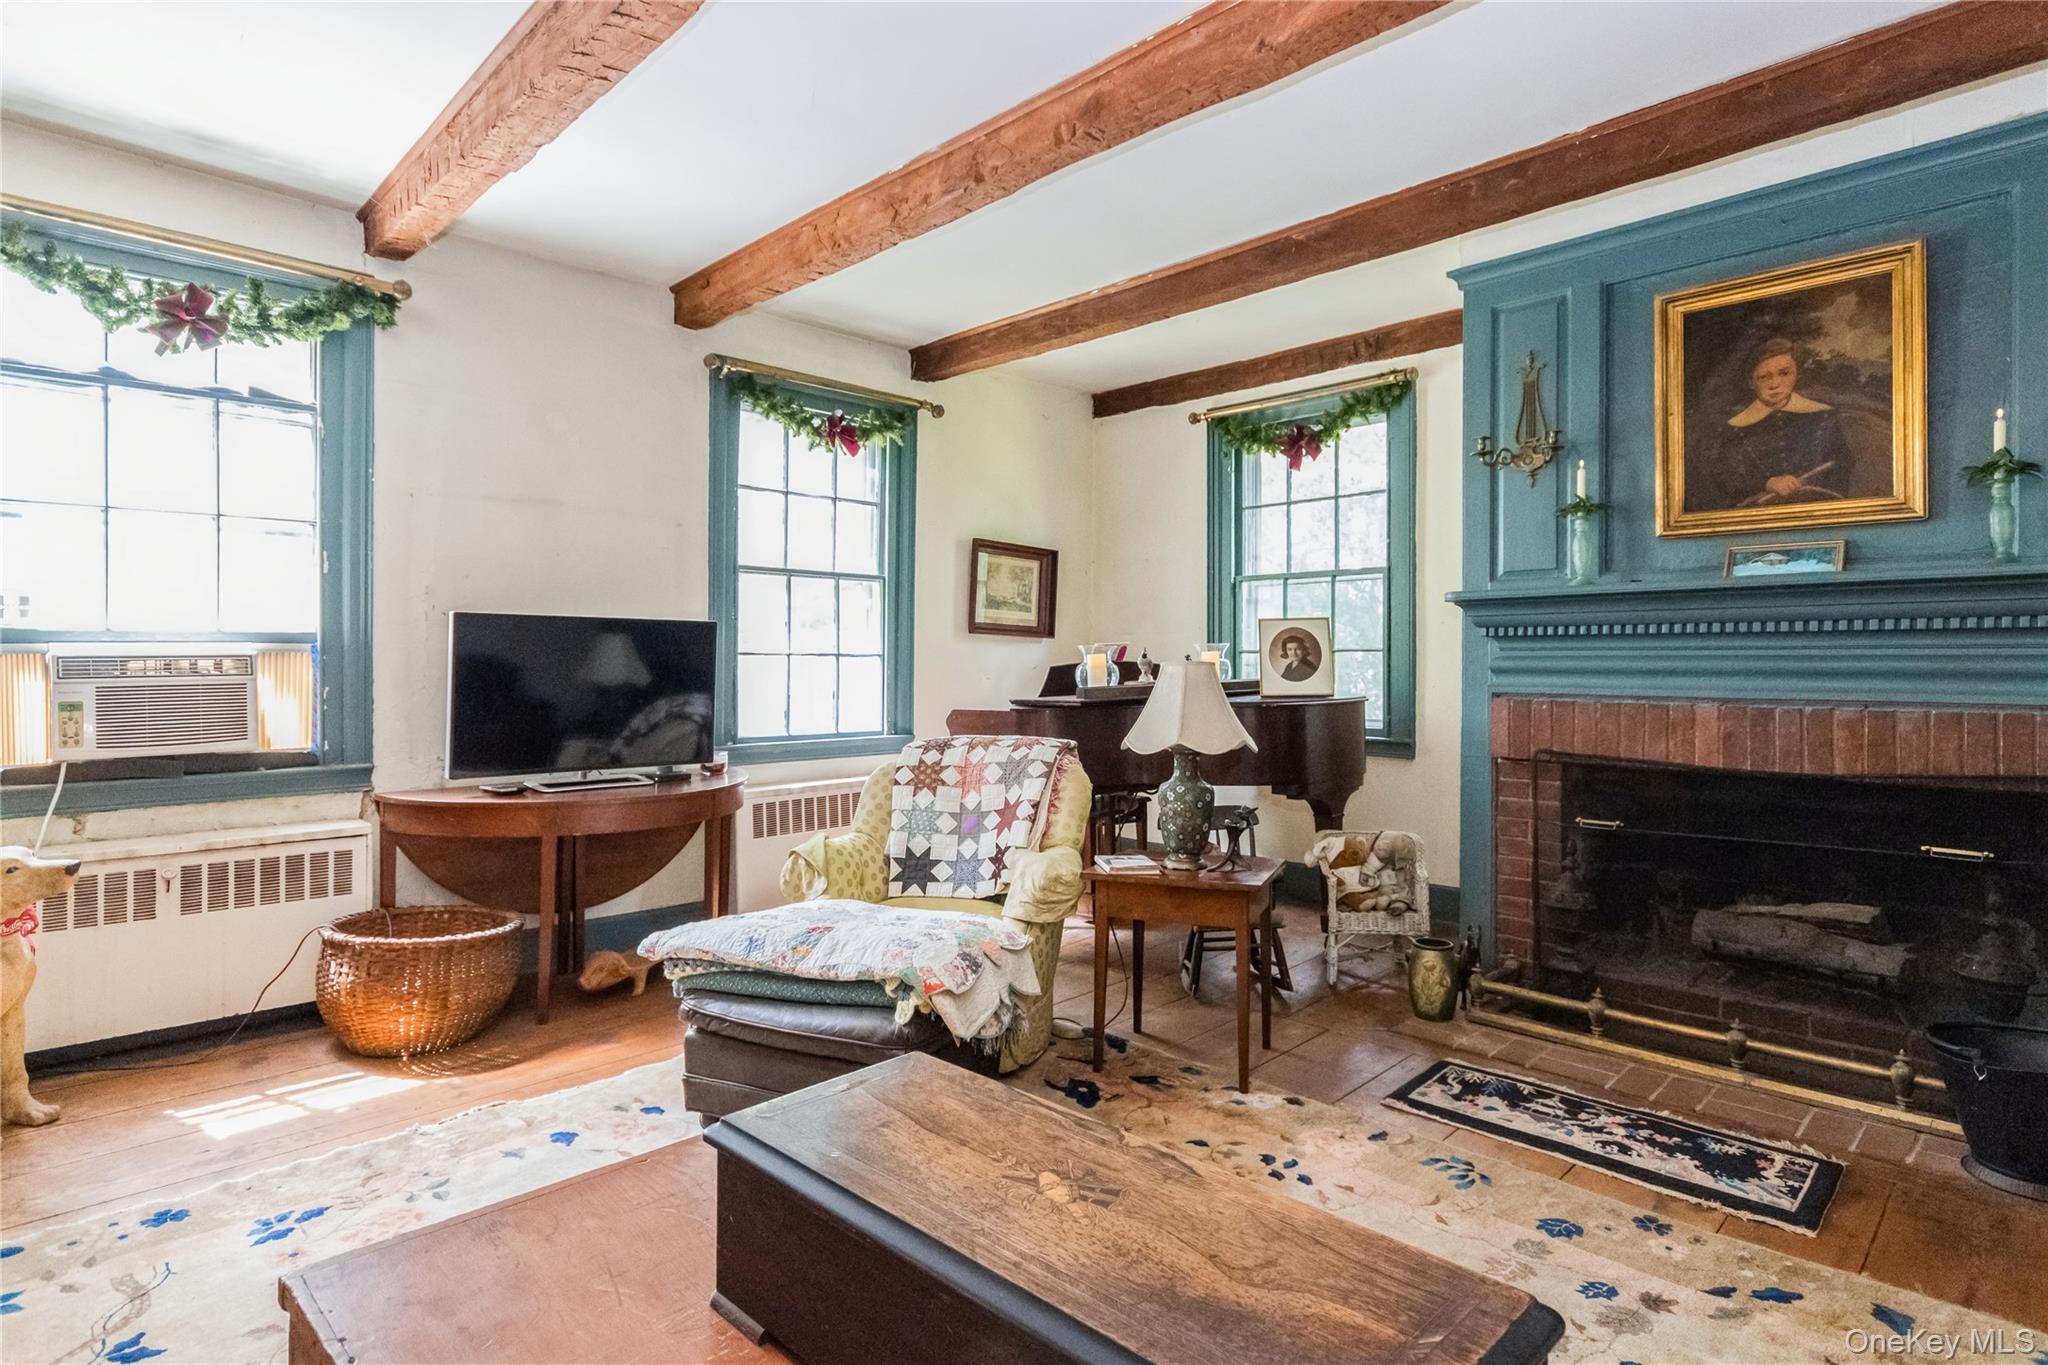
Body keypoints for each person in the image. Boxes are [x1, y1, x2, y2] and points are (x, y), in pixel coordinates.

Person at [1691, 337, 1851, 512]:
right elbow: (1723, 480)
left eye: (1784, 373)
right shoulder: (1733, 429)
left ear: (1796, 373)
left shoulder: (1823, 416)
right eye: (1764, 377)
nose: (1775, 384)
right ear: (1751, 382)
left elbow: (1842, 465)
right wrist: (1767, 483)